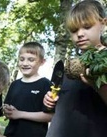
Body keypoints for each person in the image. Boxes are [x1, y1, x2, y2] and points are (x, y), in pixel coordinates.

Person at [43, 1, 107, 137]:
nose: (79, 34)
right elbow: (59, 108)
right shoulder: (69, 66)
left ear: (104, 23)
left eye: (87, 26)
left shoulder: (104, 61)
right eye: (74, 30)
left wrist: (96, 85)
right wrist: (49, 101)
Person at [3, 42, 53, 137]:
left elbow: (50, 116)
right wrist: (7, 110)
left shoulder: (46, 84)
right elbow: (6, 107)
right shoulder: (14, 84)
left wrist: (20, 114)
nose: (25, 63)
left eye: (31, 60)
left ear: (42, 62)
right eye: (22, 59)